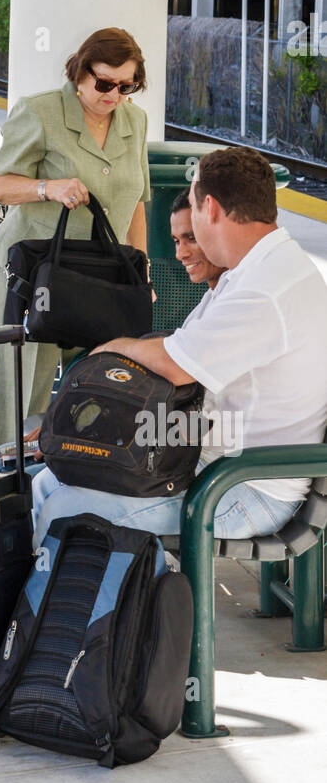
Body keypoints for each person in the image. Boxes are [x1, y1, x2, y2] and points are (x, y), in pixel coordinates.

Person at [32, 146, 327, 545]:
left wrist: (112, 348)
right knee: (49, 481)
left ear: (211, 208)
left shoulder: (265, 288)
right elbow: (182, 350)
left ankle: (56, 606)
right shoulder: (258, 269)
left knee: (60, 508)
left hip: (242, 489)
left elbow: (175, 363)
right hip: (213, 462)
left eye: (192, 207)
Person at [0, 28, 151, 448]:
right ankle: (10, 476)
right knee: (23, 384)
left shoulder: (135, 120)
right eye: (105, 83)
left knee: (103, 380)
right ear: (80, 73)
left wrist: (140, 273)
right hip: (34, 273)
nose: (114, 94)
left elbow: (138, 204)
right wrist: (48, 188)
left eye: (127, 85)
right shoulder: (40, 112)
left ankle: (76, 470)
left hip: (100, 274)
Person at [170, 190, 225, 292]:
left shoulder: (246, 297)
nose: (180, 254)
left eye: (192, 238)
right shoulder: (214, 296)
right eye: (177, 241)